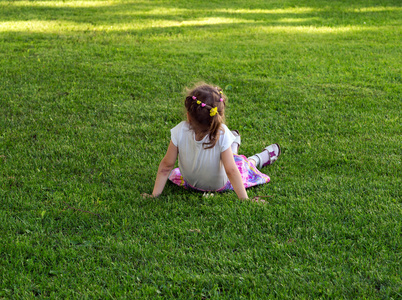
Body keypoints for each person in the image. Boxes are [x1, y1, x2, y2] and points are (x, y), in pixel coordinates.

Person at [144, 83, 281, 200]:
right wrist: (245, 200)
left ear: (188, 116)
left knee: (229, 159)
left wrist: (154, 195)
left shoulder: (179, 130)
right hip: (219, 186)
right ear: (219, 116)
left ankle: (232, 146)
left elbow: (166, 166)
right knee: (241, 165)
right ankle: (258, 159)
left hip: (190, 183)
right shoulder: (221, 133)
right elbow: (231, 170)